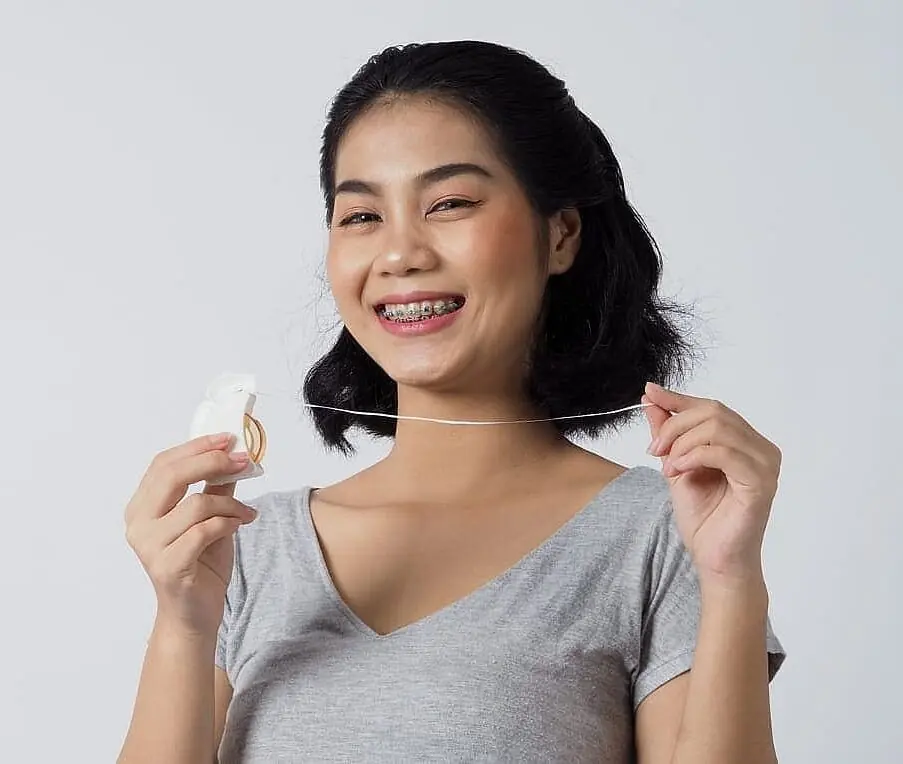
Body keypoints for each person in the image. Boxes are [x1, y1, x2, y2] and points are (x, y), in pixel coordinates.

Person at [118, 40, 786, 763]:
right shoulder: (245, 546)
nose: (399, 252)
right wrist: (183, 624)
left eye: (450, 203)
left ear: (559, 234)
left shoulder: (665, 534)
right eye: (361, 217)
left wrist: (730, 583)